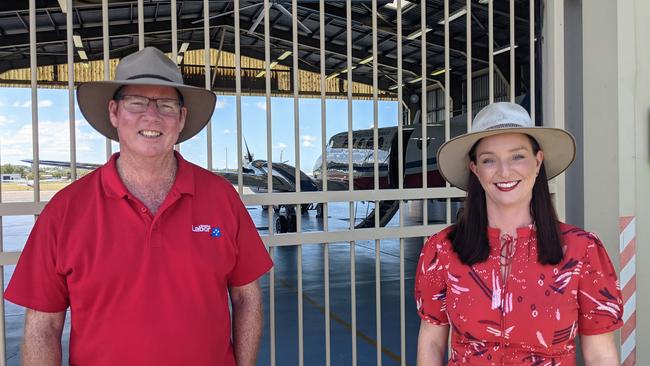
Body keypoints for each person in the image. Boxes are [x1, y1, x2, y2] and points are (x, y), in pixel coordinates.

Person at [5, 47, 273, 366]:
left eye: (166, 104)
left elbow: (247, 297)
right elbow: (42, 327)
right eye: (137, 103)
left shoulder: (221, 197)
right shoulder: (65, 210)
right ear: (114, 112)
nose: (152, 116)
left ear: (181, 118)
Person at [415, 102, 623, 365]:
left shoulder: (582, 250)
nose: (504, 171)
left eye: (518, 156)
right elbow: (432, 342)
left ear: (538, 162)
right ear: (475, 169)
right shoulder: (442, 250)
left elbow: (601, 355)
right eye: (489, 159)